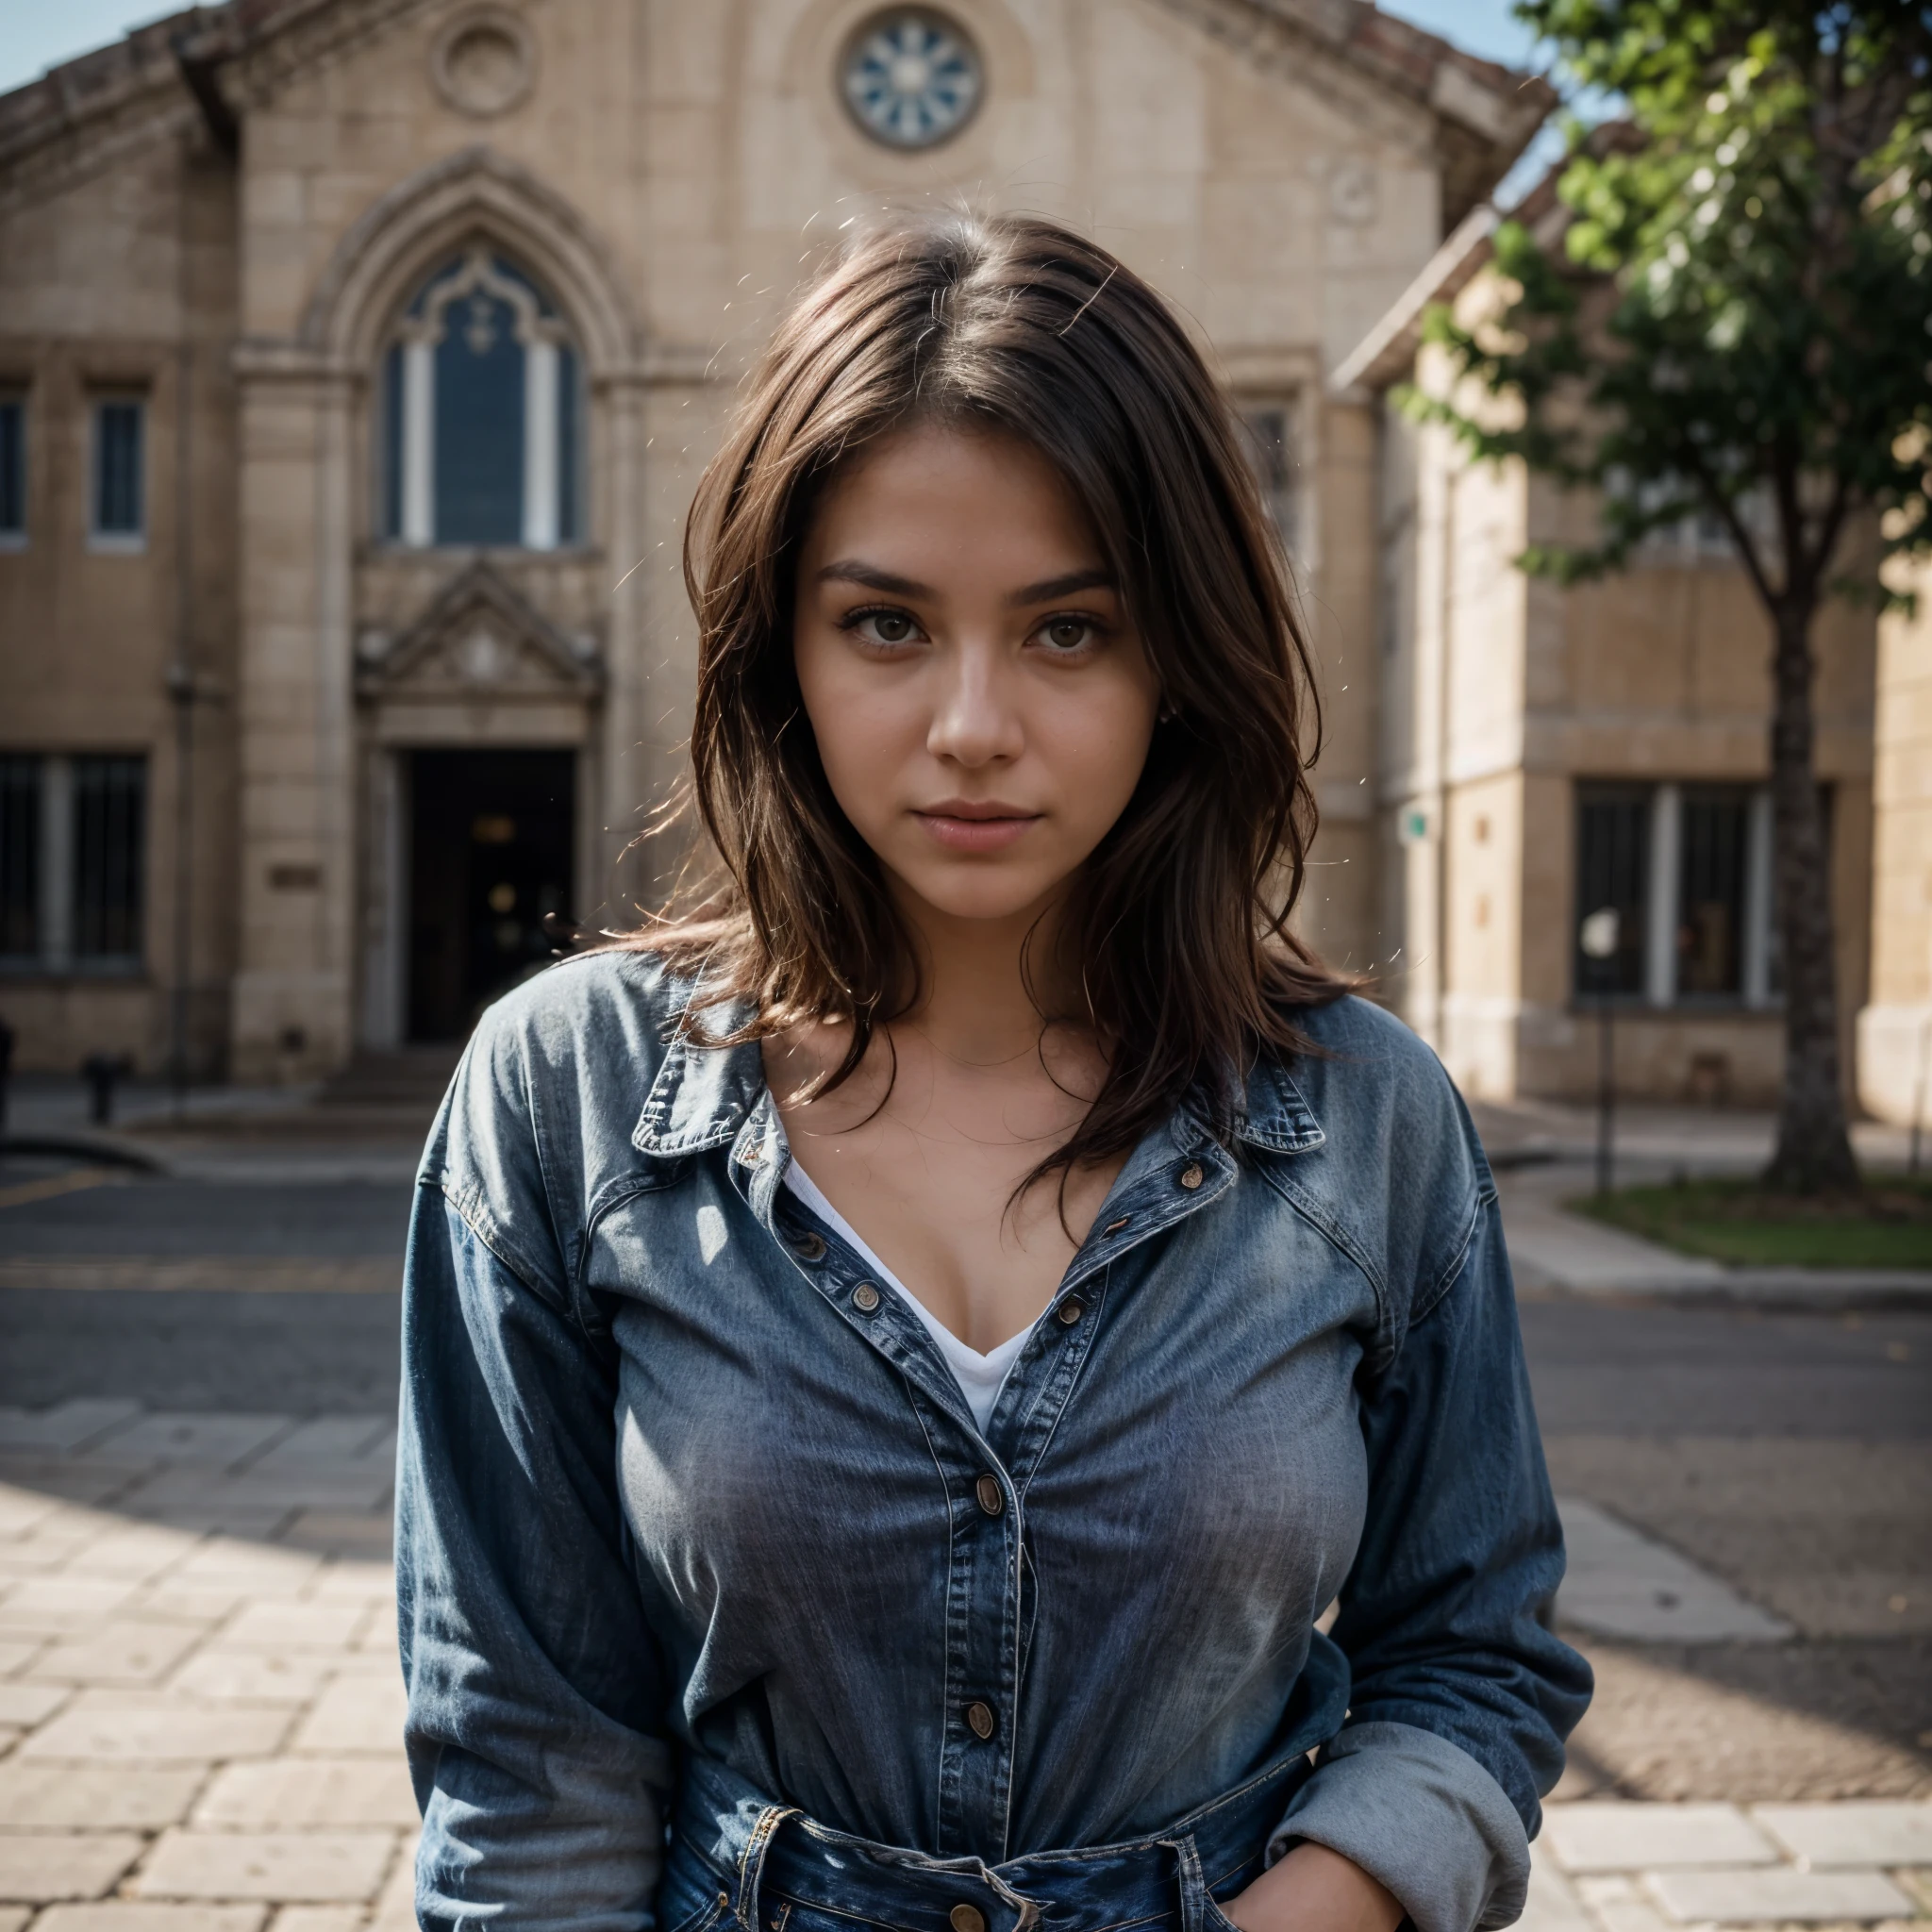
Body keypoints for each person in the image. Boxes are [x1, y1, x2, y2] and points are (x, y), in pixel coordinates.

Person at [394, 211, 1591, 1932]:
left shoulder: (1364, 1113)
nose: (971, 723)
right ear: (779, 651)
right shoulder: (557, 1097)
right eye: (887, 625)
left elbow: (1474, 1658)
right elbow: (527, 1773)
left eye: (1068, 630)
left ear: (1177, 658)